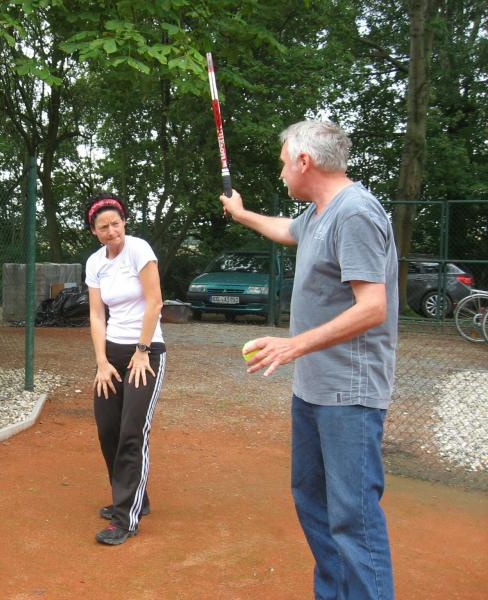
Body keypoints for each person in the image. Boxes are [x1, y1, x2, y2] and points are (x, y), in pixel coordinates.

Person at [220, 120, 398, 600]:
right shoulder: (320, 212)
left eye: (283, 163)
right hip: (314, 391)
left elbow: (373, 307)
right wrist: (242, 214)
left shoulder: (355, 213)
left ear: (305, 162)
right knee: (313, 503)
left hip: (350, 394)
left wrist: (293, 345)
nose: (281, 172)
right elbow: (286, 229)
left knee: (353, 518)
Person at [84, 193, 167, 546]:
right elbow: (96, 314)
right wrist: (101, 362)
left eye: (115, 224)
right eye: (103, 227)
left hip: (145, 352)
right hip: (112, 354)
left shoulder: (139, 249)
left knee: (133, 430)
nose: (111, 231)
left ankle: (125, 517)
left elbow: (155, 302)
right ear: (94, 231)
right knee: (108, 429)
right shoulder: (95, 262)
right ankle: (134, 498)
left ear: (124, 222)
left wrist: (143, 350)